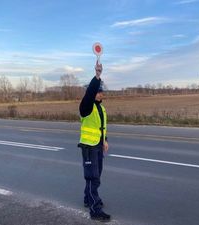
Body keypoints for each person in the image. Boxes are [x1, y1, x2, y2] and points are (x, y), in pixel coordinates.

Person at [78, 61, 111, 222]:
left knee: (96, 175)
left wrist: (105, 140)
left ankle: (87, 198)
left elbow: (101, 126)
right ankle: (95, 209)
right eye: (97, 92)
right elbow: (90, 93)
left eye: (101, 92)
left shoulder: (101, 108)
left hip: (97, 145)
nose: (99, 94)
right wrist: (97, 76)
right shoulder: (86, 106)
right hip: (89, 147)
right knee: (93, 178)